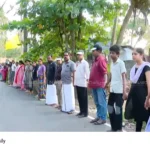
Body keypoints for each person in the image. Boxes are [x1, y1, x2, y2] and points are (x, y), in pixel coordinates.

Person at [126, 48, 150, 132]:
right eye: (132, 54)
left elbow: (149, 83)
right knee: (138, 119)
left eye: (135, 54)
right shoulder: (133, 68)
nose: (133, 56)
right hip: (135, 96)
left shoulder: (146, 67)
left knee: (147, 118)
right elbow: (132, 81)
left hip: (144, 96)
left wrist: (148, 98)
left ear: (141, 55)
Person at [106, 45, 127, 132]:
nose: (111, 55)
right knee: (110, 107)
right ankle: (113, 127)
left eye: (113, 53)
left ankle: (119, 128)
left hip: (119, 91)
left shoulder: (121, 63)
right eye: (110, 53)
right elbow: (111, 76)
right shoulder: (111, 64)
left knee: (118, 109)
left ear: (118, 54)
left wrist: (124, 91)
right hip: (113, 90)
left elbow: (124, 77)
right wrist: (106, 83)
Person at [88, 44, 107, 125]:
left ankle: (103, 118)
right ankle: (98, 116)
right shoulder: (95, 60)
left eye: (94, 50)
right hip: (94, 85)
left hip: (100, 85)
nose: (92, 52)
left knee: (101, 102)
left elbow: (105, 73)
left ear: (99, 51)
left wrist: (105, 84)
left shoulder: (101, 59)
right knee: (97, 102)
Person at [74, 51, 90, 118]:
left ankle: (85, 113)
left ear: (83, 55)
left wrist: (88, 81)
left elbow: (87, 73)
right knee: (79, 98)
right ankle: (81, 111)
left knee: (84, 99)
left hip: (83, 83)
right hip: (78, 83)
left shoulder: (85, 63)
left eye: (80, 55)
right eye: (78, 55)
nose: (79, 56)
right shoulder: (76, 63)